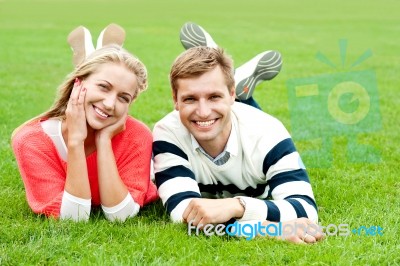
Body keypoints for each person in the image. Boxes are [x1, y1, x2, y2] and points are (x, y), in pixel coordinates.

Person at [152, 23, 323, 244]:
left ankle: (220, 66)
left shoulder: (268, 132)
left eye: (214, 96)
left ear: (233, 94)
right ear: (175, 100)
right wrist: (270, 229)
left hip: (249, 130)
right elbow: (184, 214)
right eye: (190, 98)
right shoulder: (167, 132)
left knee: (241, 127)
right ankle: (217, 65)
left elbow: (305, 209)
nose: (203, 112)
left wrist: (237, 205)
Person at [11, 24, 158, 222]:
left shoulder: (137, 134)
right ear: (78, 83)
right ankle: (96, 58)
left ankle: (97, 61)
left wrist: (104, 140)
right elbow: (74, 217)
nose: (109, 104)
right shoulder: (32, 140)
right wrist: (75, 141)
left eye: (123, 98)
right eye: (103, 87)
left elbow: (120, 215)